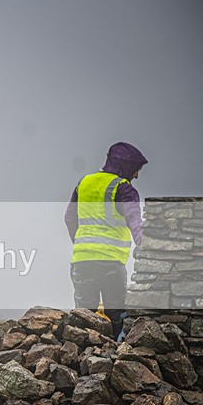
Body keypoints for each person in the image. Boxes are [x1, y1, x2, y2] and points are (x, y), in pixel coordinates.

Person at [65, 142, 147, 338]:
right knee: (118, 317)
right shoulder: (123, 189)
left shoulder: (84, 183)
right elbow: (134, 220)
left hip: (82, 261)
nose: (136, 175)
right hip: (110, 263)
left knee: (84, 317)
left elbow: (69, 218)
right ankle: (115, 360)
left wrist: (81, 245)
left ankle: (85, 360)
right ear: (125, 166)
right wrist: (145, 248)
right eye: (136, 170)